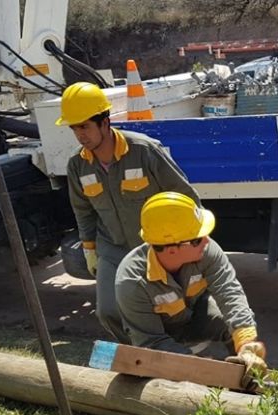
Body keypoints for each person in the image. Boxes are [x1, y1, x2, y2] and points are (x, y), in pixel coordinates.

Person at [57, 82, 200, 344]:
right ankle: (138, 357)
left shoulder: (144, 151)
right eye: (74, 128)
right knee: (108, 311)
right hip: (113, 248)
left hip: (156, 246)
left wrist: (191, 242)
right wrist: (90, 249)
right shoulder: (78, 166)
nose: (80, 135)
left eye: (85, 126)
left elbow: (185, 195)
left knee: (172, 309)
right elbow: (83, 210)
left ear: (104, 122)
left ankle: (174, 353)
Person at [115, 192, 266, 380]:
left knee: (228, 321)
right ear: (171, 249)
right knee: (163, 373)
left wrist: (247, 344)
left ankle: (249, 380)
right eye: (196, 239)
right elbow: (153, 341)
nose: (207, 241)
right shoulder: (131, 282)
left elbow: (229, 292)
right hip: (159, 337)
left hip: (194, 318)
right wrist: (201, 370)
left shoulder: (207, 250)